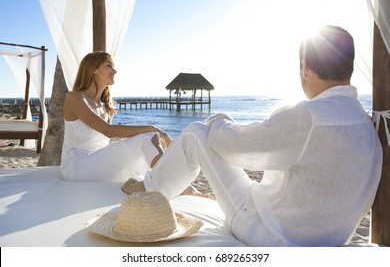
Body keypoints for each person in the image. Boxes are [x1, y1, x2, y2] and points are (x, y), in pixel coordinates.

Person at [124, 25, 383, 246]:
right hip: (330, 238)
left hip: (270, 234)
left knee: (195, 133)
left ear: (305, 67)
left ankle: (148, 189)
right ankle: (152, 185)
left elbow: (231, 146)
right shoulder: (366, 123)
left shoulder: (308, 117)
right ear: (350, 68)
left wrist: (219, 118)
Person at [60, 51, 172, 181]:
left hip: (98, 160)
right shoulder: (74, 97)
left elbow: (104, 141)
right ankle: (170, 180)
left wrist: (151, 132)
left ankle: (167, 179)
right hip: (77, 166)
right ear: (93, 69)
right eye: (109, 66)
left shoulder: (105, 106)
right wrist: (153, 128)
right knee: (148, 136)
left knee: (148, 138)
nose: (115, 71)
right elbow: (108, 131)